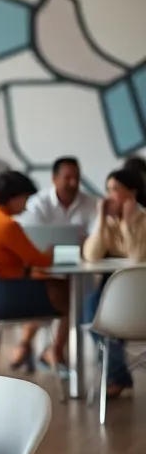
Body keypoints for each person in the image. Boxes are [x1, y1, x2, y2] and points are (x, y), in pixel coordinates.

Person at [0, 171, 68, 370]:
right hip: (5, 298)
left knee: (42, 284)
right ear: (15, 197)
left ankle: (27, 346)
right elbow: (40, 260)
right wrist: (52, 250)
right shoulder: (6, 224)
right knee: (66, 293)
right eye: (26, 199)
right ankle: (54, 351)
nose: (27, 205)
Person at [83, 168, 146, 396]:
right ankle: (118, 375)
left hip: (140, 292)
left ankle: (117, 376)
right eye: (108, 190)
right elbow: (91, 255)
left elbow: (138, 257)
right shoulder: (107, 224)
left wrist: (128, 224)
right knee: (90, 314)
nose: (109, 196)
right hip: (112, 289)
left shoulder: (143, 220)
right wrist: (100, 220)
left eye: (115, 190)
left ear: (132, 194)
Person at [19, 157, 99, 229]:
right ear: (54, 178)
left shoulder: (92, 204)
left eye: (77, 177)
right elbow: (33, 234)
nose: (73, 183)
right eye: (68, 178)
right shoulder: (38, 203)